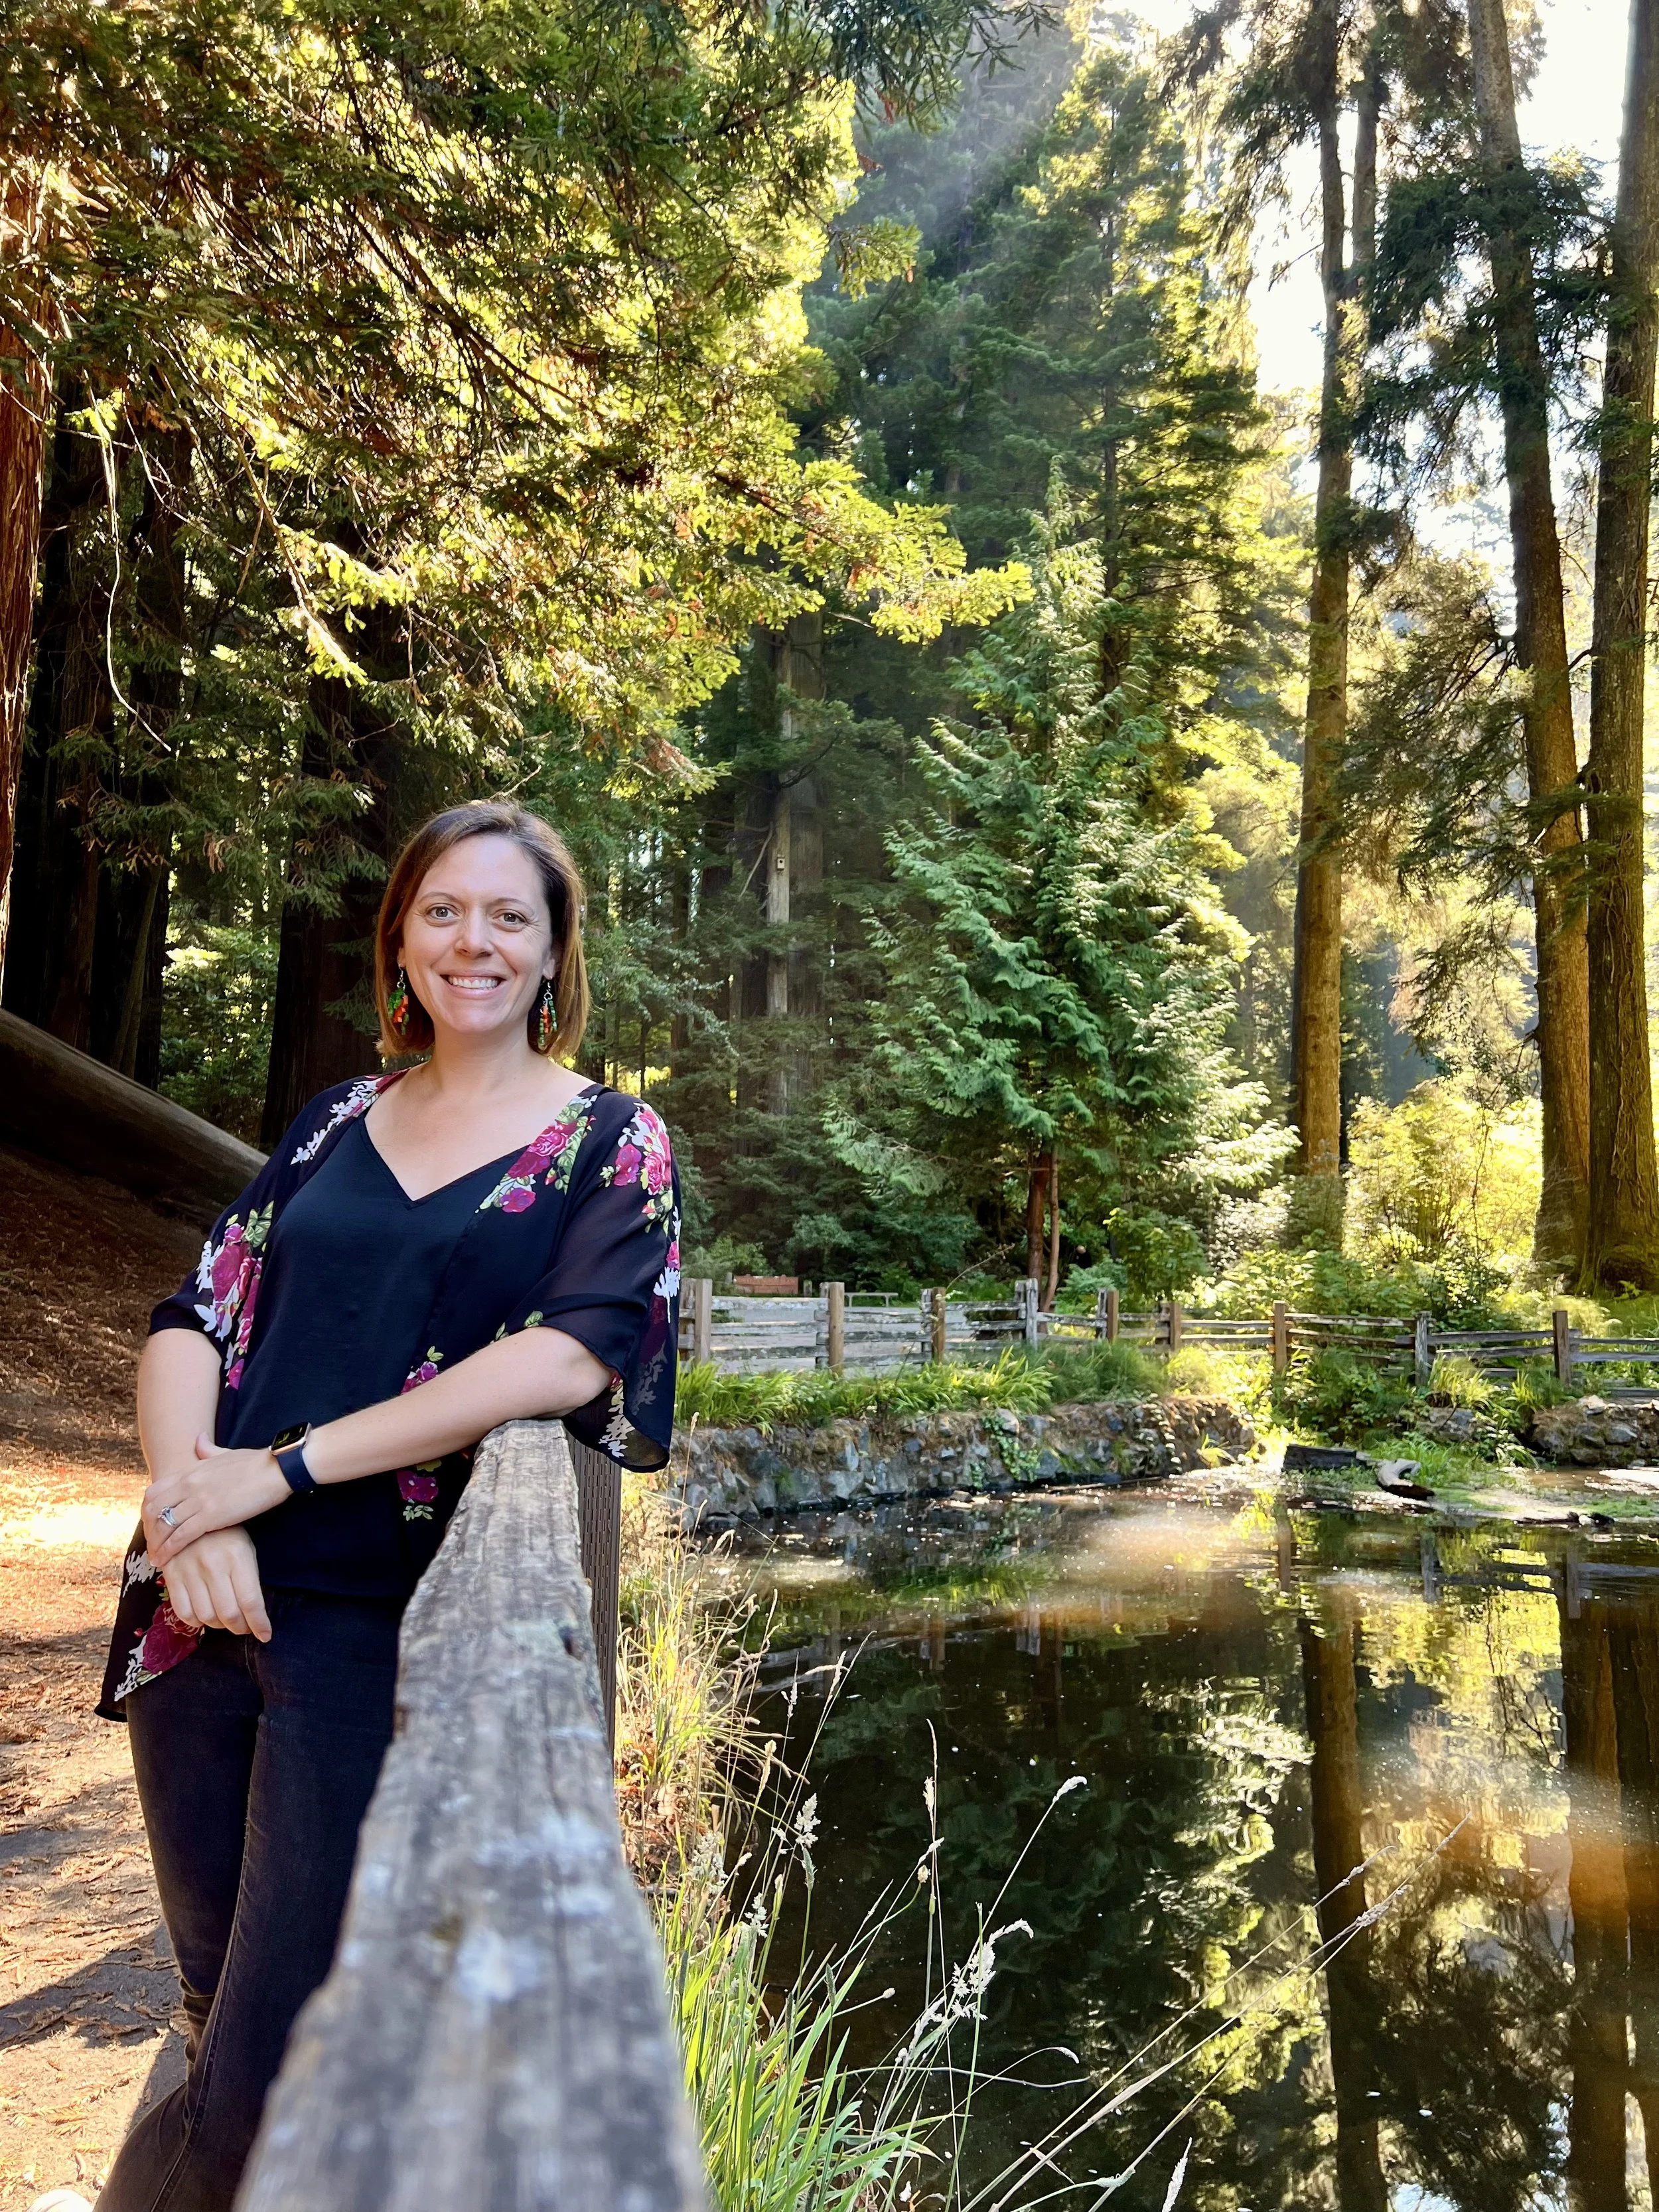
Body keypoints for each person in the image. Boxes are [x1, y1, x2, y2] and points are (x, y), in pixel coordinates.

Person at [45, 801, 680, 2212]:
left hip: (364, 1638)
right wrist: (185, 1512)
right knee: (220, 2028)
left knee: (269, 2084)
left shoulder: (608, 1143)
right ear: (400, 934)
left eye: (509, 916)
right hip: (195, 1623)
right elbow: (191, 1316)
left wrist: (271, 1475)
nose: (475, 939)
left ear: (553, 951)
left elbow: (572, 1350)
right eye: (444, 909)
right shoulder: (337, 1119)